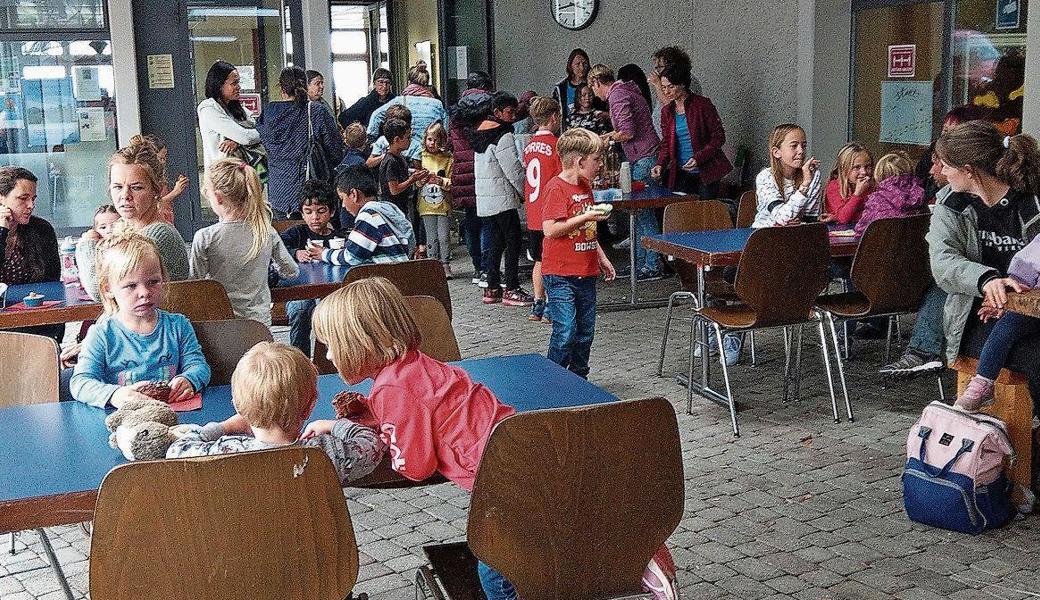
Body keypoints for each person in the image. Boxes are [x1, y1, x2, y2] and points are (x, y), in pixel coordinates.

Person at [309, 276, 517, 598]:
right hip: (519, 453)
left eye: (331, 345)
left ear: (361, 343)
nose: (329, 356)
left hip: (503, 482)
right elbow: (423, 408)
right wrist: (377, 415)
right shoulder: (414, 363)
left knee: (496, 573)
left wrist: (364, 430)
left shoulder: (390, 388)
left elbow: (414, 467)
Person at [927, 121, 1040, 402]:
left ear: (969, 170)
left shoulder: (1031, 199)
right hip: (974, 313)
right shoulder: (951, 203)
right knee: (1032, 356)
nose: (941, 172)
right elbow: (942, 262)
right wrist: (987, 280)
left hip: (1031, 308)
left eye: (946, 165)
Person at [167, 341, 385, 484]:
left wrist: (224, 427)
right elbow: (372, 445)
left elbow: (177, 450)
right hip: (315, 550)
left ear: (237, 406)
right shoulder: (325, 453)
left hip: (241, 550)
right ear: (311, 405)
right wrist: (334, 425)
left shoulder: (225, 450)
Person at [71, 231, 211, 409]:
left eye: (153, 282)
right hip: (123, 424)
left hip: (177, 418)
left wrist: (189, 379)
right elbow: (80, 382)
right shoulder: (102, 334)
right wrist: (115, 394)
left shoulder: (179, 326)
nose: (144, 292)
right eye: (131, 285)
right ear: (108, 289)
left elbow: (199, 366)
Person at [541, 128, 616, 378]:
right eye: (596, 159)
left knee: (585, 331)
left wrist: (601, 257)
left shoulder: (585, 187)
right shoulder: (556, 188)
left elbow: (588, 230)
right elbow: (550, 230)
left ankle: (579, 377)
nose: (600, 165)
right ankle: (553, 377)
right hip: (560, 272)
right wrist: (585, 216)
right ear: (579, 161)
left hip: (585, 270)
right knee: (565, 330)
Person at [190, 158, 298, 326]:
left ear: (218, 198)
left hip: (221, 323)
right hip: (259, 323)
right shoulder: (266, 232)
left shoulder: (205, 237)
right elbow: (290, 272)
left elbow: (195, 282)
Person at [78, 141, 190, 301]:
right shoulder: (123, 227)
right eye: (117, 187)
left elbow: (101, 291)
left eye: (136, 187)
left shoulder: (158, 236)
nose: (125, 195)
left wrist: (87, 246)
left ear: (156, 189)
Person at [589, 64, 663, 280]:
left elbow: (628, 132)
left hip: (643, 156)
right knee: (638, 214)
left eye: (592, 87)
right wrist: (604, 137)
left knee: (643, 212)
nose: (594, 93)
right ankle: (640, 264)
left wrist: (607, 140)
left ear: (596, 82)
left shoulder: (617, 95)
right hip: (643, 155)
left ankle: (652, 264)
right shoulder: (627, 90)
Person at [957, 236, 1040, 411]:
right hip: (1034, 309)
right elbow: (1025, 271)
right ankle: (983, 382)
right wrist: (1004, 301)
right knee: (1009, 323)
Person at [469, 92, 533, 306]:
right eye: (509, 112)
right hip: (503, 197)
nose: (513, 117)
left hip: (486, 199)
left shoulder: (480, 134)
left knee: (496, 242)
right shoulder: (503, 135)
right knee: (513, 241)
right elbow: (513, 169)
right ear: (497, 112)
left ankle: (492, 286)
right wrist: (525, 192)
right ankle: (512, 287)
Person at [258, 66, 345, 219]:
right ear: (305, 85)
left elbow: (257, 137)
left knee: (287, 239)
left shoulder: (268, 113)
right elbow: (336, 152)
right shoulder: (316, 111)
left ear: (281, 88)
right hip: (311, 195)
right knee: (315, 239)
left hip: (278, 194)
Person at [650, 62, 732, 200]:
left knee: (705, 213)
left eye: (671, 86)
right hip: (681, 171)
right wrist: (660, 164)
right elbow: (666, 144)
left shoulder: (702, 104)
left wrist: (698, 158)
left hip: (707, 171)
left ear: (682, 84)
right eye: (663, 87)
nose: (666, 92)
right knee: (684, 211)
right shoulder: (667, 111)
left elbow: (718, 137)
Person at [0, 167, 63, 342]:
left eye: (33, 199)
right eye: (23, 198)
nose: (31, 205)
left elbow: (52, 284)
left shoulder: (41, 229)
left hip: (35, 320)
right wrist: (1, 231)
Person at [450, 72, 495, 283]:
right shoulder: (489, 106)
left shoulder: (456, 111)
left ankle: (477, 266)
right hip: (484, 169)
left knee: (470, 221)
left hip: (462, 171)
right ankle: (487, 267)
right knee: (487, 222)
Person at [320, 165, 414, 266]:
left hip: (384, 277)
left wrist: (324, 253)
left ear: (354, 194)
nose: (343, 205)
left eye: (342, 198)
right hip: (402, 273)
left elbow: (351, 257)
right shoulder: (388, 209)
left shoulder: (368, 216)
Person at [523, 97, 563, 324]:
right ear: (554, 117)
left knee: (538, 259)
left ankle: (537, 303)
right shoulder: (556, 145)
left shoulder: (529, 146)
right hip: (550, 210)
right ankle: (550, 305)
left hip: (532, 210)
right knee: (551, 260)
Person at [367, 63, 448, 163]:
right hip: (430, 155)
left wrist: (372, 140)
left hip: (405, 154)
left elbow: (376, 115)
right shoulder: (437, 104)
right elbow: (445, 131)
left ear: (409, 82)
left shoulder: (400, 101)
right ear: (427, 84)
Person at [752, 124, 822, 228]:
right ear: (776, 152)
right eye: (794, 146)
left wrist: (796, 223)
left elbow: (810, 218)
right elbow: (783, 217)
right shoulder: (765, 177)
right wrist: (804, 185)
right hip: (764, 235)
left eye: (804, 145)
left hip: (797, 235)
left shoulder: (812, 174)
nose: (801, 151)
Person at [197, 61, 262, 172]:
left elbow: (258, 128)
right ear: (219, 85)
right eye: (234, 83)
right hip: (221, 177)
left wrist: (237, 142)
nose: (239, 87)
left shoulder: (238, 108)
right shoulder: (208, 108)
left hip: (244, 173)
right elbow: (246, 137)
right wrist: (243, 139)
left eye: (239, 82)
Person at [380, 118, 429, 255]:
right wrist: (413, 179)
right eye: (407, 138)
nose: (410, 141)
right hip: (393, 208)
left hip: (402, 206)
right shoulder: (390, 161)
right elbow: (394, 189)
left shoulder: (400, 158)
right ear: (397, 139)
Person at [853, 151, 925, 236]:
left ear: (879, 174)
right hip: (912, 248)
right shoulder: (920, 195)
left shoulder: (876, 200)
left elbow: (861, 229)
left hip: (881, 247)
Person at [418, 122, 454, 278]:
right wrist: (421, 179)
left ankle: (445, 264)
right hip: (426, 205)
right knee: (431, 236)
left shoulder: (448, 159)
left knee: (444, 236)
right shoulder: (420, 156)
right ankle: (433, 263)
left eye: (436, 141)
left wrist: (442, 181)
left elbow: (452, 181)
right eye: (430, 139)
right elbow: (416, 181)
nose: (432, 144)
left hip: (443, 204)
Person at [129, 134, 188, 225]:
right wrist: (176, 191)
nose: (164, 161)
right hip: (156, 223)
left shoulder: (159, 177)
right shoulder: (147, 179)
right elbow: (153, 204)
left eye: (165, 158)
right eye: (160, 158)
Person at [823, 143, 874, 226]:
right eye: (857, 167)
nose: (864, 172)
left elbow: (874, 215)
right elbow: (843, 219)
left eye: (868, 166)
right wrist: (857, 194)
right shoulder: (834, 187)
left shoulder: (871, 187)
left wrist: (838, 217)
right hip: (840, 235)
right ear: (844, 168)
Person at [552, 48, 592, 123]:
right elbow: (554, 110)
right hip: (568, 130)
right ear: (570, 66)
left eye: (584, 63)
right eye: (577, 64)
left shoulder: (594, 84)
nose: (582, 67)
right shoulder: (561, 88)